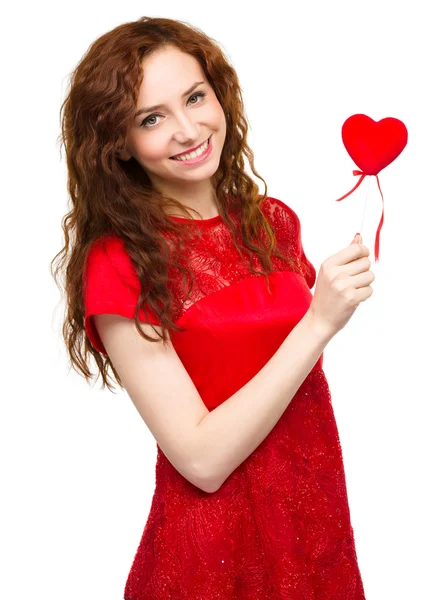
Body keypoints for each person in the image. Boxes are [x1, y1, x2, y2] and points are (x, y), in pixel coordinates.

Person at [52, 16, 374, 599]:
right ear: (118, 143)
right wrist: (320, 321)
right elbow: (200, 459)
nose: (187, 128)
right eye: (152, 118)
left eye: (195, 97)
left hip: (312, 524)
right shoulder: (118, 263)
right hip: (214, 551)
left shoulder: (270, 222)